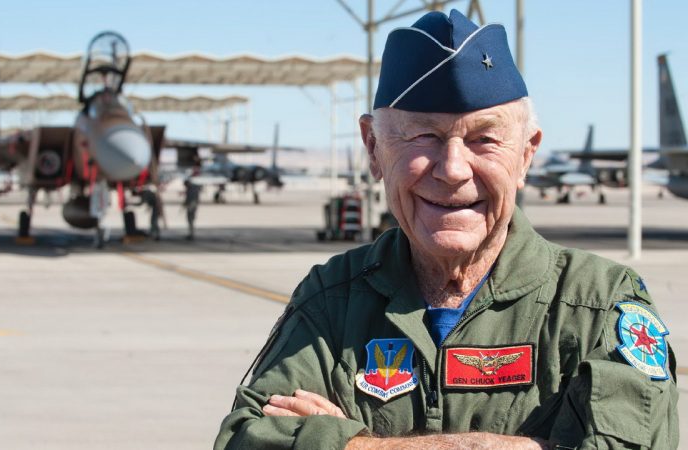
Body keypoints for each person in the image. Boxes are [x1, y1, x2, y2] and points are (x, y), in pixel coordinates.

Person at [215, 9, 678, 450]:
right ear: (373, 148)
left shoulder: (598, 304)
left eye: (484, 139)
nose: (453, 169)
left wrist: (353, 443)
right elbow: (248, 439)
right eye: (423, 137)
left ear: (526, 155)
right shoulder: (332, 299)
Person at [184, 168, 202, 240]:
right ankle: (191, 233)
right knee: (190, 219)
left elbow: (192, 197)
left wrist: (188, 203)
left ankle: (191, 234)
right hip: (192, 203)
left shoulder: (193, 186)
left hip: (192, 203)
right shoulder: (193, 186)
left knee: (191, 219)